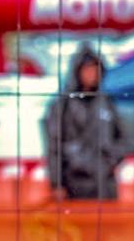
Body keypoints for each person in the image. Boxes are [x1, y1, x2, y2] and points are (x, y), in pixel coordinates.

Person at [44, 44, 126, 201]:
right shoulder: (63, 105)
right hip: (75, 182)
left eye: (96, 69)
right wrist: (56, 183)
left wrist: (112, 160)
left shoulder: (107, 102)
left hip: (105, 183)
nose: (92, 74)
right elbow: (54, 146)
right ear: (77, 71)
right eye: (87, 69)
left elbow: (123, 137)